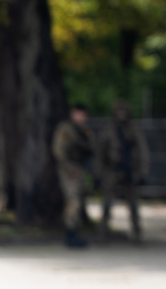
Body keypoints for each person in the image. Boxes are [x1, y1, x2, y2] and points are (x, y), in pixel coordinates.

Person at [96, 99, 149, 242]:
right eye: (119, 111)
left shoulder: (133, 130)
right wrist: (99, 173)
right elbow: (100, 152)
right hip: (112, 170)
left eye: (123, 111)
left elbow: (142, 151)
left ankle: (137, 232)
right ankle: (102, 232)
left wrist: (142, 172)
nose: (121, 114)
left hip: (129, 170)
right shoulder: (109, 130)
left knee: (133, 204)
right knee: (107, 203)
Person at [52, 103, 95, 248]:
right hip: (69, 170)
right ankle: (70, 233)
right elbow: (59, 151)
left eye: (83, 114)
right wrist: (69, 168)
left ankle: (75, 232)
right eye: (78, 114)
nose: (81, 117)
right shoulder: (66, 129)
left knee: (78, 200)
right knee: (73, 201)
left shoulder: (84, 131)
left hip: (80, 168)